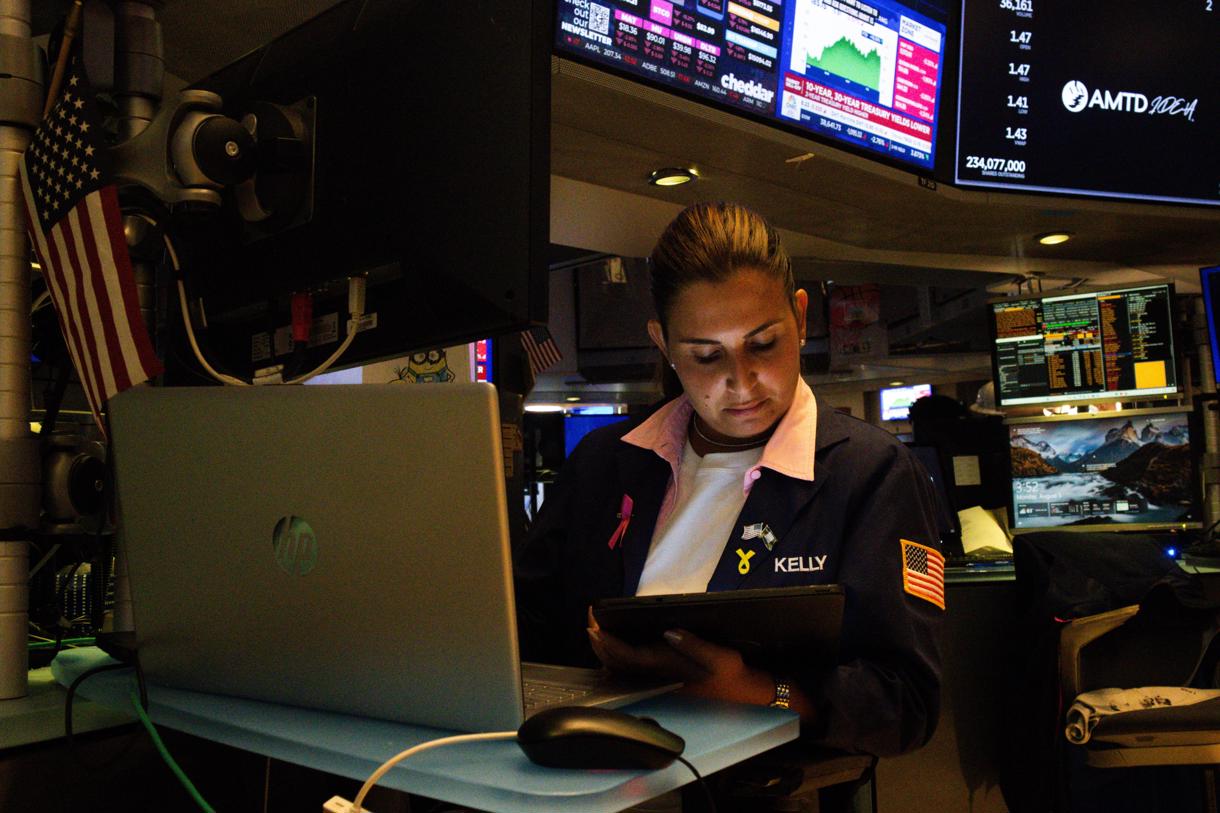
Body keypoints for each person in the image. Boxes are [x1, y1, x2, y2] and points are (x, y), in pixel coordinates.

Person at [514, 202, 944, 766]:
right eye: (704, 355)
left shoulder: (871, 474)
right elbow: (522, 629)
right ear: (664, 344)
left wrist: (763, 693)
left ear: (801, 316)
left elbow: (906, 705)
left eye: (763, 344)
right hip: (585, 783)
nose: (739, 382)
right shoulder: (604, 464)